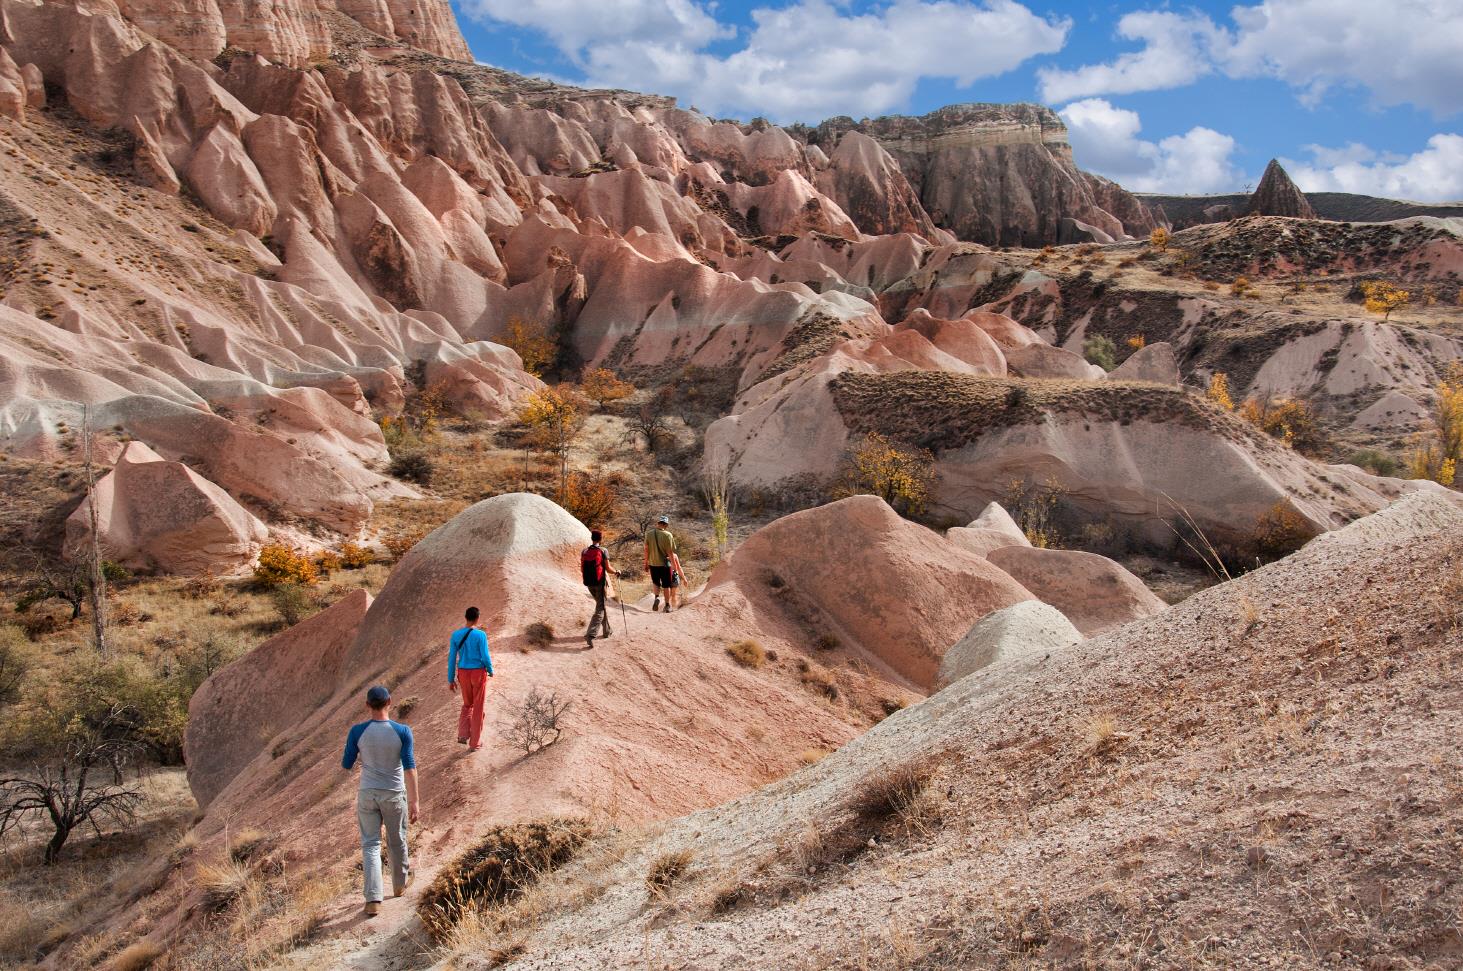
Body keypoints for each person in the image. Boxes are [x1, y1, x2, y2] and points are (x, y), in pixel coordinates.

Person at [342, 685, 418, 917]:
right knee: (397, 839)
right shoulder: (402, 731)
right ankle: (399, 885)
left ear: (367, 705)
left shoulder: (357, 731)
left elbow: (346, 764)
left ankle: (373, 898)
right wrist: (415, 801)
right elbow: (410, 767)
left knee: (370, 845)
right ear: (390, 702)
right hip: (394, 793)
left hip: (367, 793)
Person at [447, 606, 493, 752]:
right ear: (477, 618)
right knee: (478, 706)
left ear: (465, 617)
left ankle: (462, 734)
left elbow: (452, 658)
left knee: (467, 704)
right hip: (478, 673)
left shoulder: (455, 635)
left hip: (463, 673)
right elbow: (485, 656)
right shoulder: (480, 635)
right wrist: (490, 669)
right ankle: (474, 743)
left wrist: (450, 679)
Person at [580, 529, 620, 647]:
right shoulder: (603, 550)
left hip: (589, 583)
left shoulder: (584, 551)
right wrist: (616, 571)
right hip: (599, 583)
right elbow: (608, 568)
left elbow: (582, 568)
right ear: (601, 539)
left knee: (600, 605)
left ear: (591, 538)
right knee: (600, 609)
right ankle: (591, 634)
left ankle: (607, 631)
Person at [644, 514, 684, 612]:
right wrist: (674, 566)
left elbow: (646, 549)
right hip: (665, 565)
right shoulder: (668, 535)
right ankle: (667, 605)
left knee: (656, 583)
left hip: (653, 563)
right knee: (666, 585)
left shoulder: (648, 534)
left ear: (658, 523)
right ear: (666, 525)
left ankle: (656, 597)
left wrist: (646, 563)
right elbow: (670, 552)